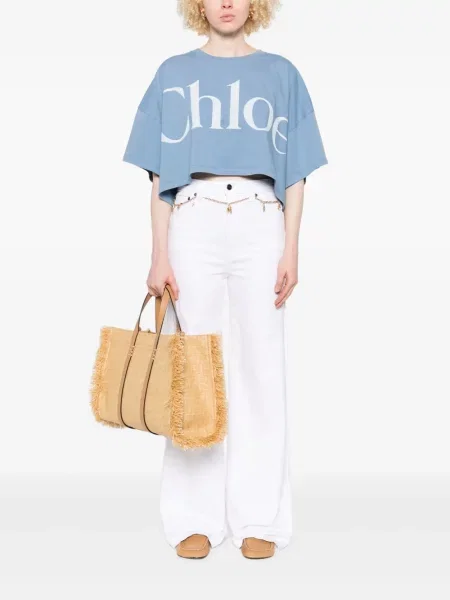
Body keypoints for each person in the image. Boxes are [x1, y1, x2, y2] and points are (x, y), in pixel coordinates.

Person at [122, 0, 327, 559]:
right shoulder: (173, 73)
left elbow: (297, 174)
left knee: (262, 368)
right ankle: (194, 517)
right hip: (193, 220)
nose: (227, 2)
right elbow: (159, 175)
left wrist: (292, 248)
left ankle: (260, 518)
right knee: (193, 369)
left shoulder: (282, 74)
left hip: (262, 222)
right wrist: (159, 254)